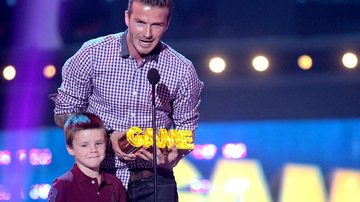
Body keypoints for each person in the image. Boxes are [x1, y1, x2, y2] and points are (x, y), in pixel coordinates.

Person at [52, 0, 203, 201]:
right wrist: (108, 136)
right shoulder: (93, 54)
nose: (147, 34)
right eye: (140, 22)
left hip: (155, 179)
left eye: (156, 25)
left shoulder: (182, 69)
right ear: (127, 18)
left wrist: (176, 155)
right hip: (100, 175)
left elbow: (187, 130)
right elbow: (64, 113)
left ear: (167, 24)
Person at [47, 113, 127, 202]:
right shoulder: (63, 185)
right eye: (84, 145)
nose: (93, 149)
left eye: (98, 143)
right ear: (70, 149)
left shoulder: (115, 184)